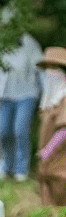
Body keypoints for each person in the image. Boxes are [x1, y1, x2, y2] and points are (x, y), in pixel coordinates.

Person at [0, 29, 43, 182]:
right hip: (5, 95)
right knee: (3, 131)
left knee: (20, 130)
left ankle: (21, 169)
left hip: (27, 94)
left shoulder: (30, 43)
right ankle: (7, 165)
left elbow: (40, 70)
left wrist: (46, 97)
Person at [35, 46, 66, 207]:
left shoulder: (64, 96)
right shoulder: (50, 98)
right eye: (47, 68)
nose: (49, 73)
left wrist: (48, 151)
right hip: (47, 158)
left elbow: (64, 130)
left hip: (60, 155)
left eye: (53, 68)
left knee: (59, 185)